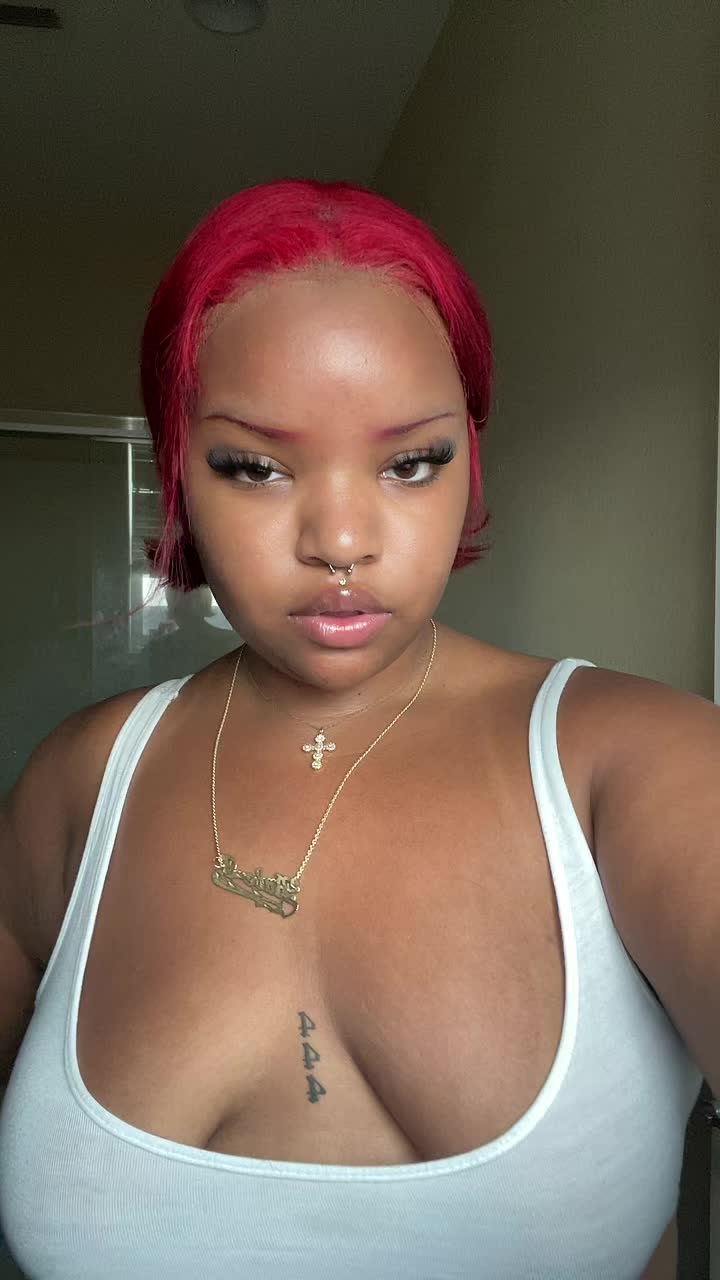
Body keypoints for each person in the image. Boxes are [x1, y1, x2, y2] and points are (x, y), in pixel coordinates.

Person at [0, 179, 717, 1280]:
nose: (341, 539)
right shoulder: (78, 783)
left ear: (468, 451)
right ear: (178, 468)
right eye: (255, 465)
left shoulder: (645, 767)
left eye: (409, 461)